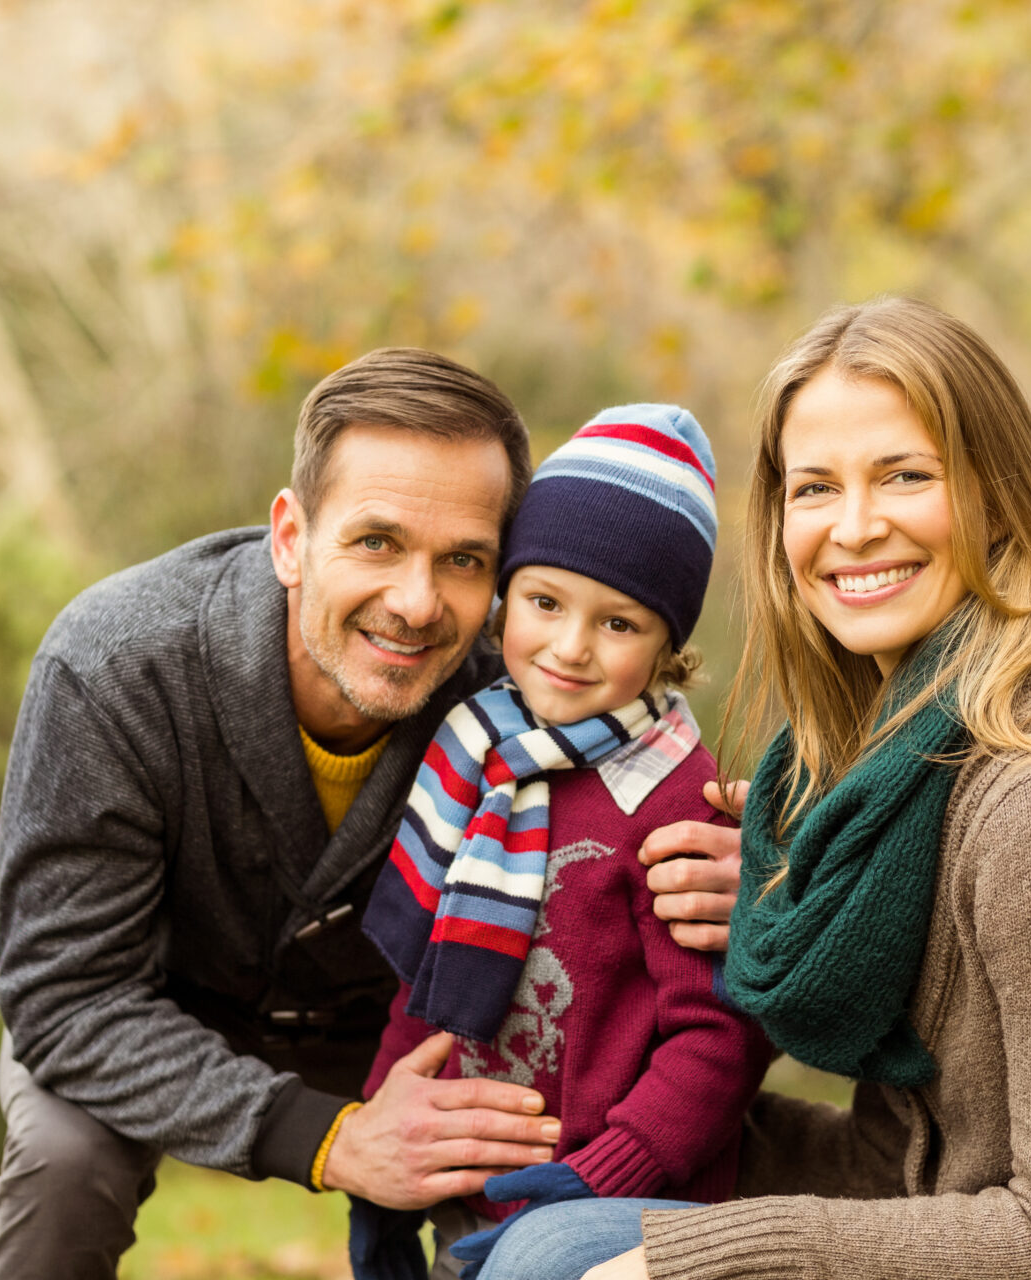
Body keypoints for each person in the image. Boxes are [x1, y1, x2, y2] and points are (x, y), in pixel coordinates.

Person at [476, 298, 1031, 1280]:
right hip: (993, 1229)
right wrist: (594, 1120)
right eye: (814, 488)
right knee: (542, 1238)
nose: (853, 527)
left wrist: (698, 1256)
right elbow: (918, 1160)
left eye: (904, 476)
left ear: (997, 494)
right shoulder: (895, 779)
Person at [0, 351, 744, 1280]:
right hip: (148, 1013)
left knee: (557, 1127)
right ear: (292, 536)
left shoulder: (532, 688)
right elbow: (68, 1001)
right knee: (67, 1157)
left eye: (463, 561)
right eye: (376, 542)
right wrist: (336, 1139)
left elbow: (650, 760)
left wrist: (750, 869)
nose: (417, 604)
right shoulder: (114, 670)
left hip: (413, 1021)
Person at [345, 405, 775, 1280]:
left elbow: (720, 1037)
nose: (571, 647)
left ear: (667, 646)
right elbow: (427, 983)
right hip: (475, 1186)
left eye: (619, 624)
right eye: (545, 602)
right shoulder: (479, 753)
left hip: (615, 1210)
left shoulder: (675, 805)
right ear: (508, 599)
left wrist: (602, 1174)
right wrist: (374, 1128)